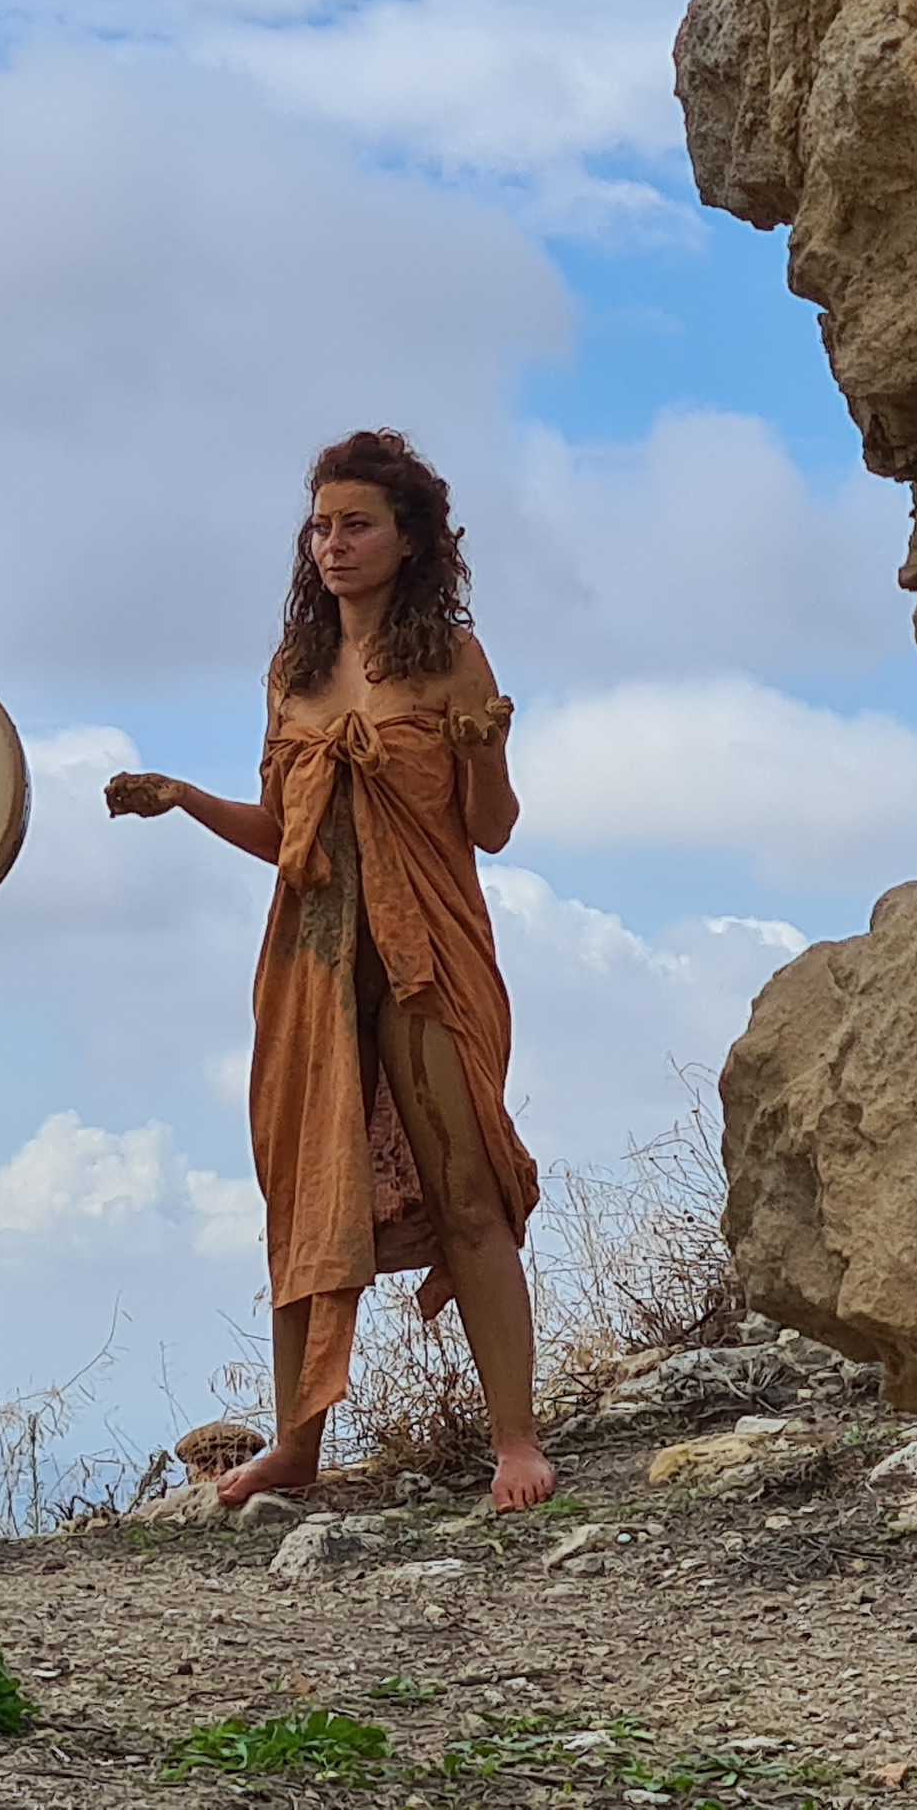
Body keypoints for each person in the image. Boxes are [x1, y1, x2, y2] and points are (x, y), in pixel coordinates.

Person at [103, 429, 553, 1512]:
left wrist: (484, 747)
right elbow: (283, 833)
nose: (332, 544)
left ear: (408, 539)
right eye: (319, 526)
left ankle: (517, 1442)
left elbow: (491, 828)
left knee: (468, 1184)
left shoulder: (451, 655)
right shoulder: (293, 673)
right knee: (306, 1189)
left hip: (428, 949)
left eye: (356, 524)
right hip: (311, 953)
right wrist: (184, 798)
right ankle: (298, 1448)